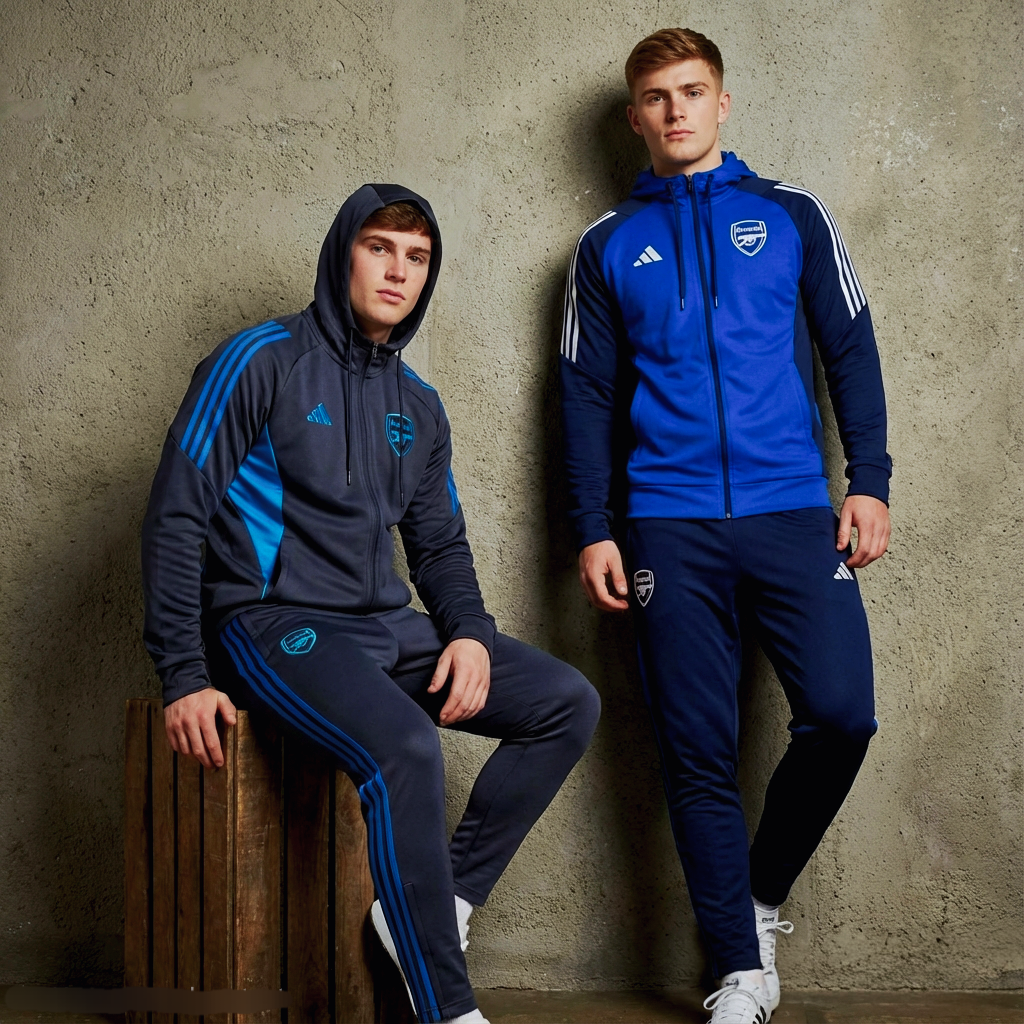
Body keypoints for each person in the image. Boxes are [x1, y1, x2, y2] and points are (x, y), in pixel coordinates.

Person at [142, 183, 600, 1024]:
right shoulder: (259, 361)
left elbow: (439, 546)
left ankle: (436, 906)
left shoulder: (418, 406)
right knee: (406, 748)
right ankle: (448, 1012)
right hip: (271, 623)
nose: (398, 271)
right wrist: (182, 674)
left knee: (566, 702)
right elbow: (176, 514)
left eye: (417, 257)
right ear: (341, 254)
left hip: (384, 626)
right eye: (379, 248)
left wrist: (470, 635)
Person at [560, 28, 891, 1024]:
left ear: (722, 102)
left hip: (792, 509)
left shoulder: (790, 214)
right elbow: (583, 395)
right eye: (657, 97)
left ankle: (755, 897)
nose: (676, 110)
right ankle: (740, 972)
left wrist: (867, 481)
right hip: (667, 526)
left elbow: (851, 347)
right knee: (696, 752)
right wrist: (593, 527)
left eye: (692, 91)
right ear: (635, 117)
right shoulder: (607, 245)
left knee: (842, 714)